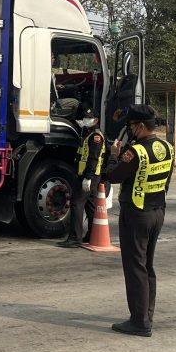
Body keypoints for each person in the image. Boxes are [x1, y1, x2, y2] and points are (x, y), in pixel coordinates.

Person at [102, 104, 173, 337]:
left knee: (135, 268)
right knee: (147, 266)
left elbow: (112, 175)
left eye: (132, 125)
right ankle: (146, 315)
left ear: (141, 126)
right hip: (157, 212)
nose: (130, 130)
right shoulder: (167, 147)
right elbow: (166, 182)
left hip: (137, 214)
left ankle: (139, 322)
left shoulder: (136, 152)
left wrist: (114, 155)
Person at [58, 106, 103, 248]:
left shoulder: (96, 137)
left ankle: (75, 238)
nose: (86, 119)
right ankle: (91, 235)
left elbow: (93, 158)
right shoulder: (89, 134)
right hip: (88, 175)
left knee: (77, 203)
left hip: (89, 175)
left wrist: (88, 177)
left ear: (95, 120)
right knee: (90, 206)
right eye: (85, 117)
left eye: (89, 118)